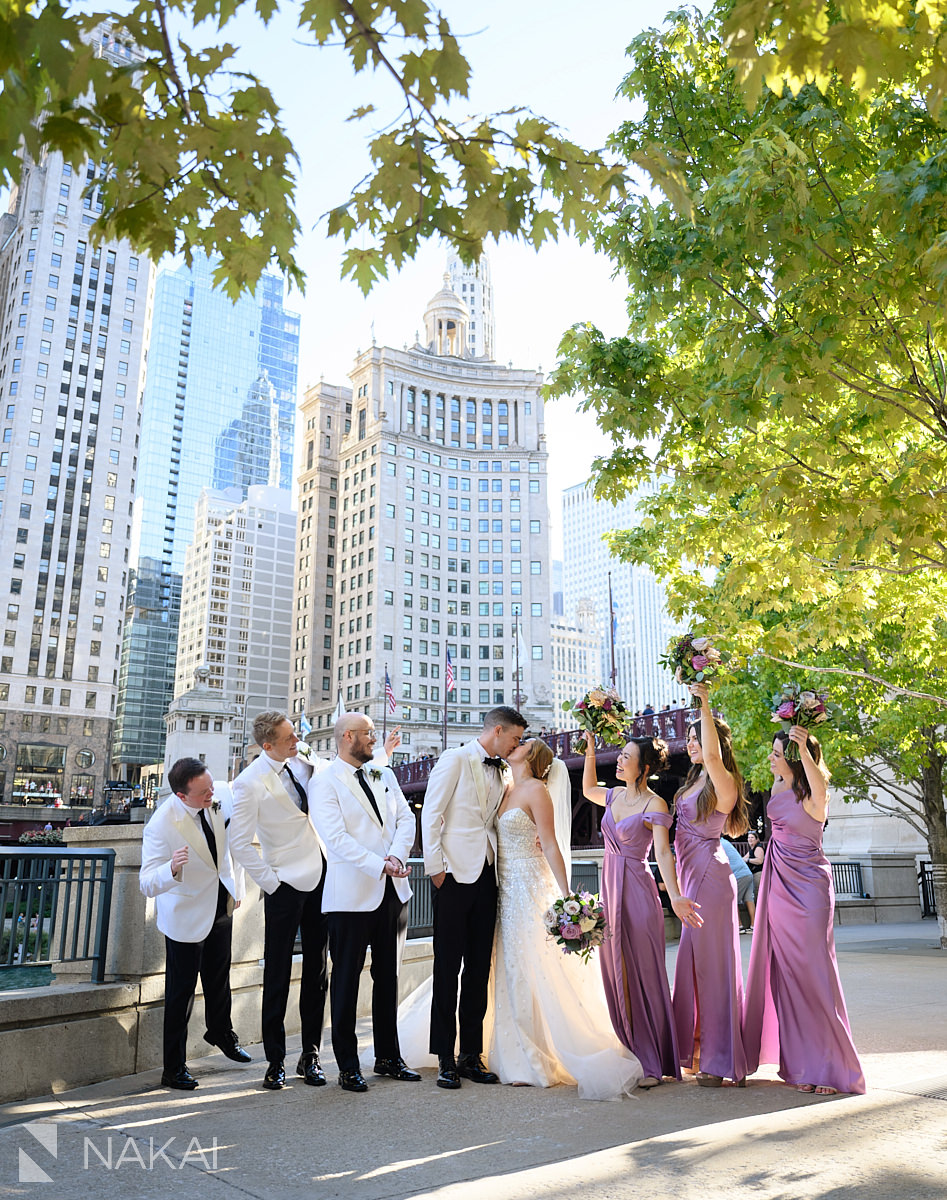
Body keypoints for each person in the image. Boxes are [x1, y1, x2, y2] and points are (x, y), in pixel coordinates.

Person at [488, 738, 642, 1099]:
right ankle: (514, 1055)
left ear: (532, 756)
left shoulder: (535, 790)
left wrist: (565, 895)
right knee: (510, 969)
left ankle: (535, 1060)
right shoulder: (506, 787)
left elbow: (552, 843)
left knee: (528, 969)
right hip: (504, 887)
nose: (516, 744)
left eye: (522, 743)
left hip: (530, 886)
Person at [743, 727, 865, 1095]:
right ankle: (802, 1065)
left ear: (796, 758)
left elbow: (820, 784)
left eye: (778, 753)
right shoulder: (779, 788)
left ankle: (830, 1065)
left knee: (815, 974)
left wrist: (804, 749)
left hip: (810, 889)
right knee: (790, 976)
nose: (771, 758)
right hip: (778, 886)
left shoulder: (816, 797)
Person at [582, 737, 702, 1088]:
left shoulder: (656, 803)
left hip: (637, 890)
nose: (618, 762)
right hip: (609, 889)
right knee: (615, 971)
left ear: (644, 768)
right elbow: (589, 786)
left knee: (645, 974)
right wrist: (590, 745)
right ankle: (631, 1049)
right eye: (619, 756)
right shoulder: (614, 795)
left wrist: (676, 897)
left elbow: (664, 854)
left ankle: (653, 1062)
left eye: (626, 758)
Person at [311, 714, 419, 1093]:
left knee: (387, 978)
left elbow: (406, 819)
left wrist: (397, 855)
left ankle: (389, 1057)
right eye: (369, 734)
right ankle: (347, 1065)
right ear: (348, 737)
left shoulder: (384, 774)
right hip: (349, 898)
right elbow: (335, 838)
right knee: (345, 983)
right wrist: (379, 864)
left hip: (392, 893)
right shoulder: (324, 781)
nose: (375, 739)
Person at [421, 705, 527, 1089]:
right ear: (497, 731)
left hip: (487, 875)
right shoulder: (456, 759)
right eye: (514, 738)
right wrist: (436, 869)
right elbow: (431, 813)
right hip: (452, 876)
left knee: (479, 969)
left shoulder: (501, 769)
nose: (517, 745)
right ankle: (445, 1057)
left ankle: (470, 1055)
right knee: (447, 969)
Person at [230, 711, 329, 1091]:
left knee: (318, 972)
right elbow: (240, 844)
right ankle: (275, 1061)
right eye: (289, 737)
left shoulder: (305, 762)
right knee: (277, 974)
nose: (297, 740)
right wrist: (272, 884)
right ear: (266, 744)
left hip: (321, 877)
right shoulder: (248, 783)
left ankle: (312, 1055)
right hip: (284, 885)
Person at [139, 758, 250, 1090]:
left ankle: (221, 1032)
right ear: (181, 795)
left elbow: (229, 850)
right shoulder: (161, 824)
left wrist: (237, 889)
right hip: (185, 915)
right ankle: (173, 1068)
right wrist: (171, 869)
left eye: (211, 787)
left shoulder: (214, 797)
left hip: (221, 905)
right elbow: (146, 882)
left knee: (220, 979)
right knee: (180, 994)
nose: (211, 795)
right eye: (204, 792)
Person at [671, 680, 750, 1087]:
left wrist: (703, 702)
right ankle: (698, 1050)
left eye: (697, 738)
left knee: (713, 966)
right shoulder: (694, 781)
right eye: (688, 740)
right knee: (695, 964)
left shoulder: (723, 781)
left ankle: (719, 1058)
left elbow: (714, 753)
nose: (691, 745)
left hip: (711, 876)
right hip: (689, 876)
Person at [721, 837, 756, 931]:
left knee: (732, 899)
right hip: (747, 873)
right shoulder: (726, 842)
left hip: (738, 875)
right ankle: (754, 925)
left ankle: (739, 925)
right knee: (749, 899)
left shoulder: (717, 845)